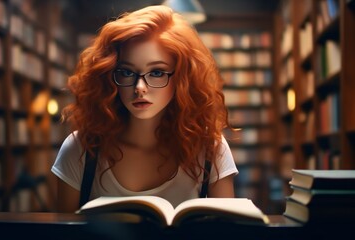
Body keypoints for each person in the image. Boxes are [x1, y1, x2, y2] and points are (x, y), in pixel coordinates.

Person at [51, 5, 238, 212]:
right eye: (127, 72)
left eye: (157, 73)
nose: (140, 88)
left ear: (182, 79)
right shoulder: (80, 149)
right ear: (109, 75)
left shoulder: (211, 149)